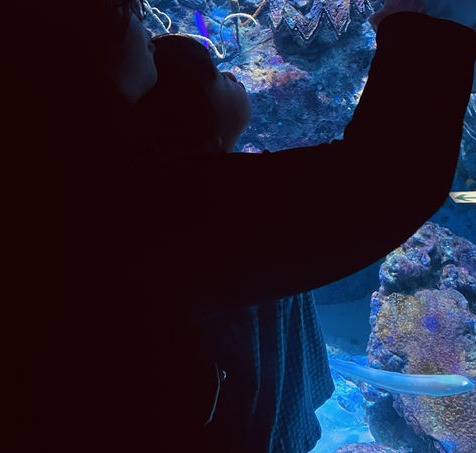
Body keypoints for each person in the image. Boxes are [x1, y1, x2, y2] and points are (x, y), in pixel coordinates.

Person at [0, 0, 476, 453]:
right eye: (124, 1)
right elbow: (386, 181)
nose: (145, 22)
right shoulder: (114, 218)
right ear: (63, 49)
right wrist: (419, 6)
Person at [137, 33, 333, 453]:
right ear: (193, 112)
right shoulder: (235, 197)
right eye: (216, 75)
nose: (231, 74)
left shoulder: (179, 192)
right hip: (245, 417)